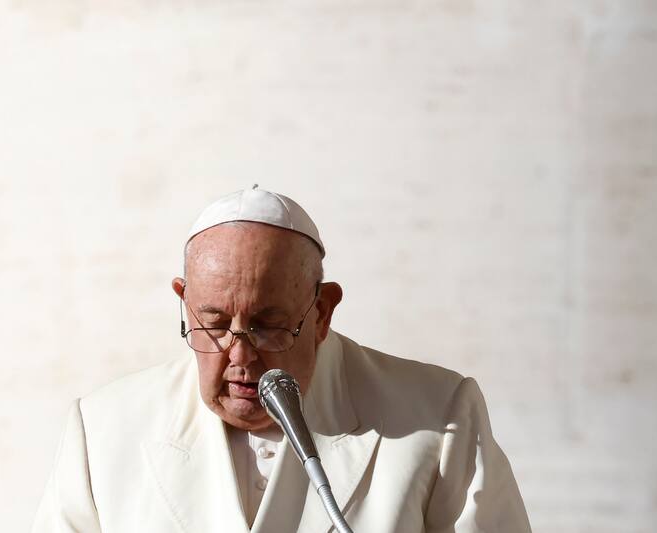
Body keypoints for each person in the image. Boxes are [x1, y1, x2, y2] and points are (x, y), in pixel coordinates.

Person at [32, 186, 531, 533]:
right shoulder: (103, 429)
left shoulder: (436, 416)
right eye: (215, 323)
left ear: (321, 311)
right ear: (184, 301)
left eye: (269, 324)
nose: (241, 356)